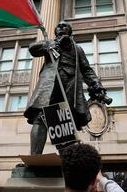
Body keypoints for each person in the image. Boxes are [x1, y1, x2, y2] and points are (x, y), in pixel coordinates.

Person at [24, 21, 108, 155]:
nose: (61, 27)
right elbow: (33, 49)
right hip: (49, 86)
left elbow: (86, 69)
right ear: (55, 31)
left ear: (71, 32)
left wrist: (96, 85)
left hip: (69, 87)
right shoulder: (50, 43)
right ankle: (34, 158)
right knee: (40, 117)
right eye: (59, 26)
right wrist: (54, 44)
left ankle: (67, 161)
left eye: (65, 26)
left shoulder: (77, 49)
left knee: (64, 123)